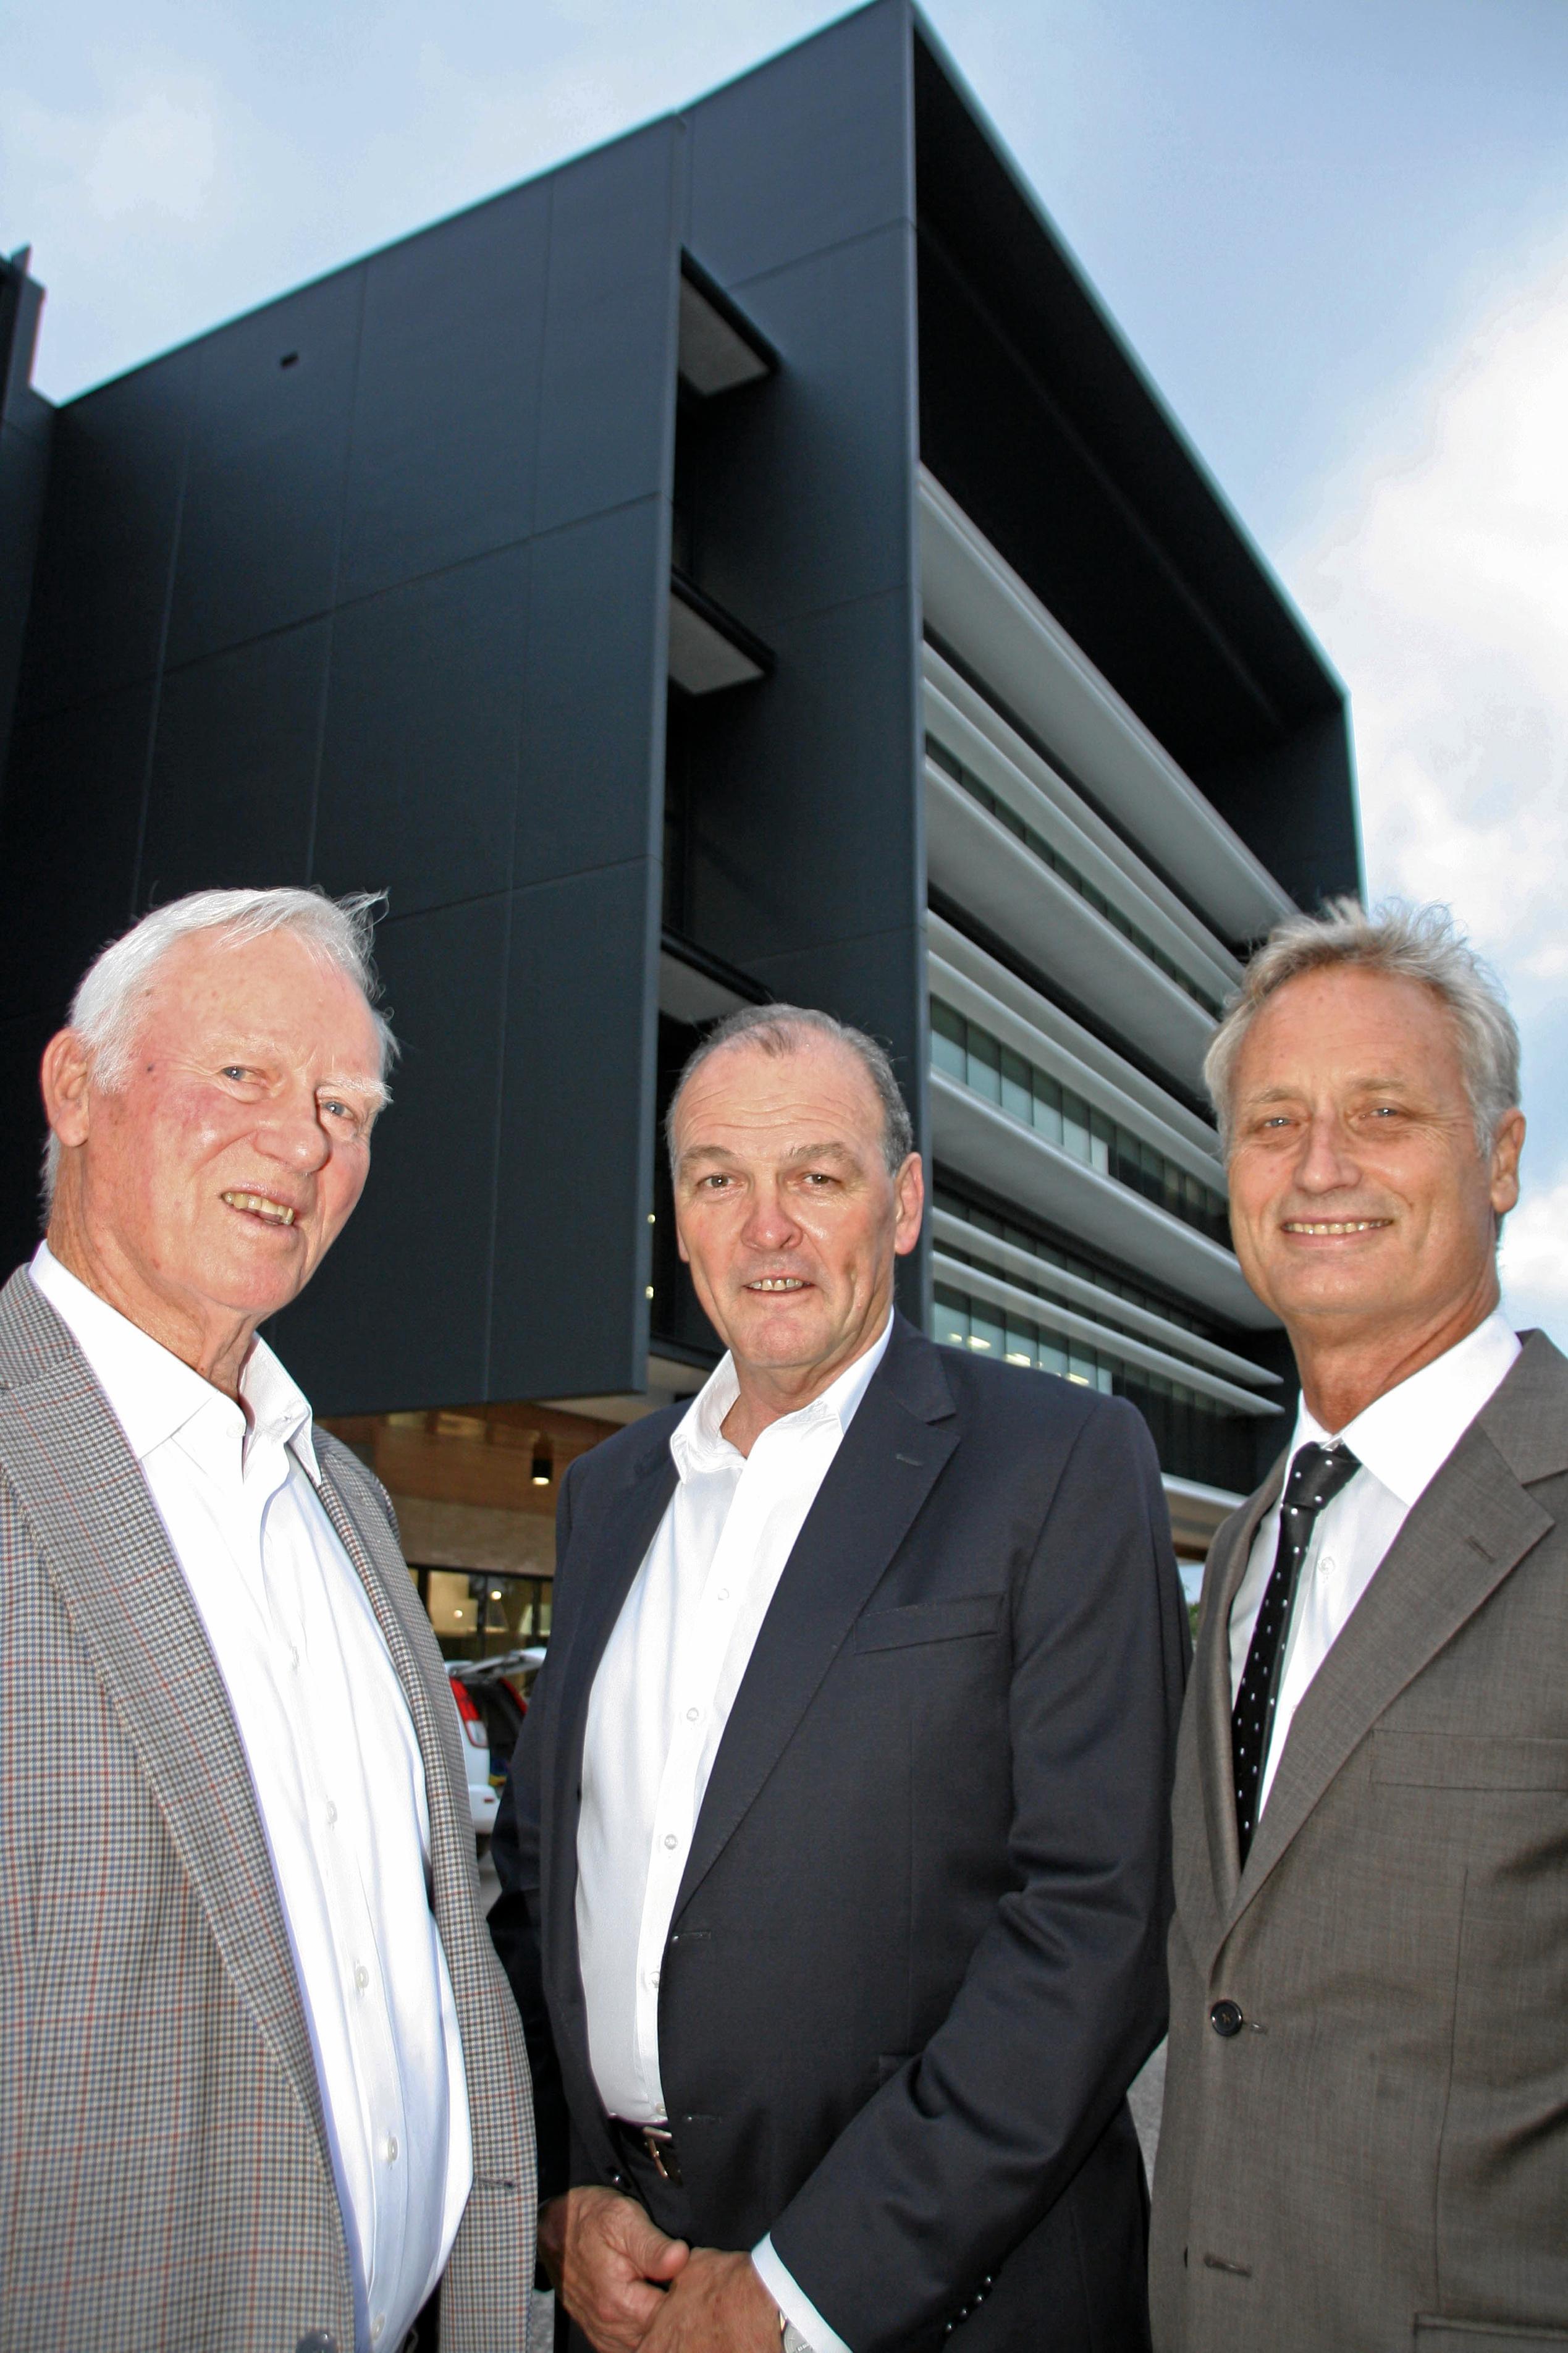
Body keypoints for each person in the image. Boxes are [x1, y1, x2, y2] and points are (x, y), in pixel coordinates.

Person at [491, 1003, 1187, 2353]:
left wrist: (801, 2287)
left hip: (939, 2299)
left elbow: (1099, 1924)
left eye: (816, 1175)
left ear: (904, 1203)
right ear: (679, 1221)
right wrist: (556, 2191)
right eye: (718, 1180)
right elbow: (538, 1877)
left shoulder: (1059, 1460)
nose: (767, 1228)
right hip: (624, 2283)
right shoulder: (608, 1496)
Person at [0, 888, 535, 2353]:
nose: (304, 1143)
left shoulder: (348, 1507)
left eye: (346, 1106)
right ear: (77, 1087)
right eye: (244, 1074)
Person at [1150, 899, 1567, 2351]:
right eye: (1274, 1123)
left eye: (1383, 1111)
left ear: (1500, 1156)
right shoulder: (1258, 1538)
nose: (1320, 1167)